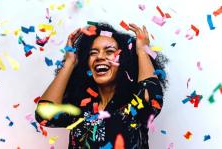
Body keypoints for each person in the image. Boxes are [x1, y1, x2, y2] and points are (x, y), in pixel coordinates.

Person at [35, 22, 168, 148]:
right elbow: (44, 115)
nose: (99, 57)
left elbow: (153, 97)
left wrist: (143, 51)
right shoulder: (81, 111)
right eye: (93, 53)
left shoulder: (134, 107)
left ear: (125, 61)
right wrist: (70, 62)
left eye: (109, 51)